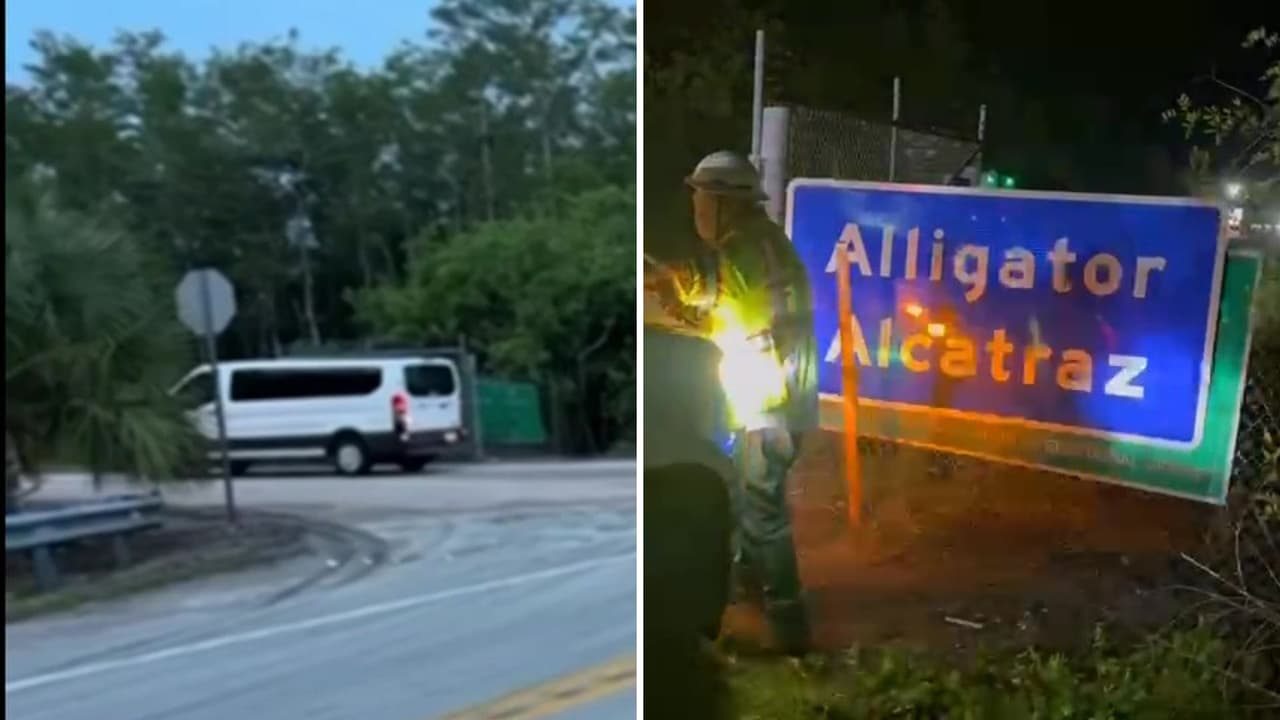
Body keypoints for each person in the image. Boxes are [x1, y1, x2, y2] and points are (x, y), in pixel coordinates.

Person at [659, 150, 819, 656]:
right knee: (748, 503)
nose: (697, 209)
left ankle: (790, 634)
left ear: (726, 204)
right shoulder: (769, 245)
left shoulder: (741, 253)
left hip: (764, 406)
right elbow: (726, 299)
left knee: (761, 514)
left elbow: (717, 310)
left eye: (703, 199)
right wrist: (683, 294)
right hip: (786, 402)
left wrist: (676, 306)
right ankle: (746, 596)